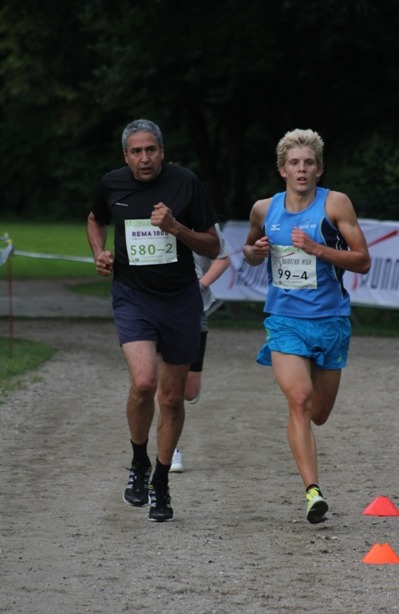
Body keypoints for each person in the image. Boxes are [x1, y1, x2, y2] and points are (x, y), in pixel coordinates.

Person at [87, 118, 219, 522]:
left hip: (180, 300)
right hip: (133, 297)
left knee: (172, 398)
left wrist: (175, 226)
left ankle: (160, 482)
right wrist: (99, 252)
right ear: (125, 156)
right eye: (136, 151)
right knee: (144, 382)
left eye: (151, 150)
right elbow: (95, 219)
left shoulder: (185, 183)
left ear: (162, 152)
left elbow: (213, 246)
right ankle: (138, 461)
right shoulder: (111, 184)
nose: (144, 158)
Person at [243, 128, 370, 524]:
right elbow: (248, 250)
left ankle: (311, 464)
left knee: (319, 413)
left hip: (330, 321)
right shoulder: (264, 209)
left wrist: (318, 249)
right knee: (299, 400)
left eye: (309, 163)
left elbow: (363, 260)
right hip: (284, 320)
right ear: (282, 170)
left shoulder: (335, 204)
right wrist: (255, 251)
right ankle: (313, 491)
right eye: (294, 163)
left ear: (319, 169)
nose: (302, 169)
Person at [170, 224, 230, 472]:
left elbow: (223, 258)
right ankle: (171, 449)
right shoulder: (145, 211)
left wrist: (201, 284)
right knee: (166, 387)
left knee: (188, 391)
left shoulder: (198, 214)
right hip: (154, 306)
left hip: (193, 308)